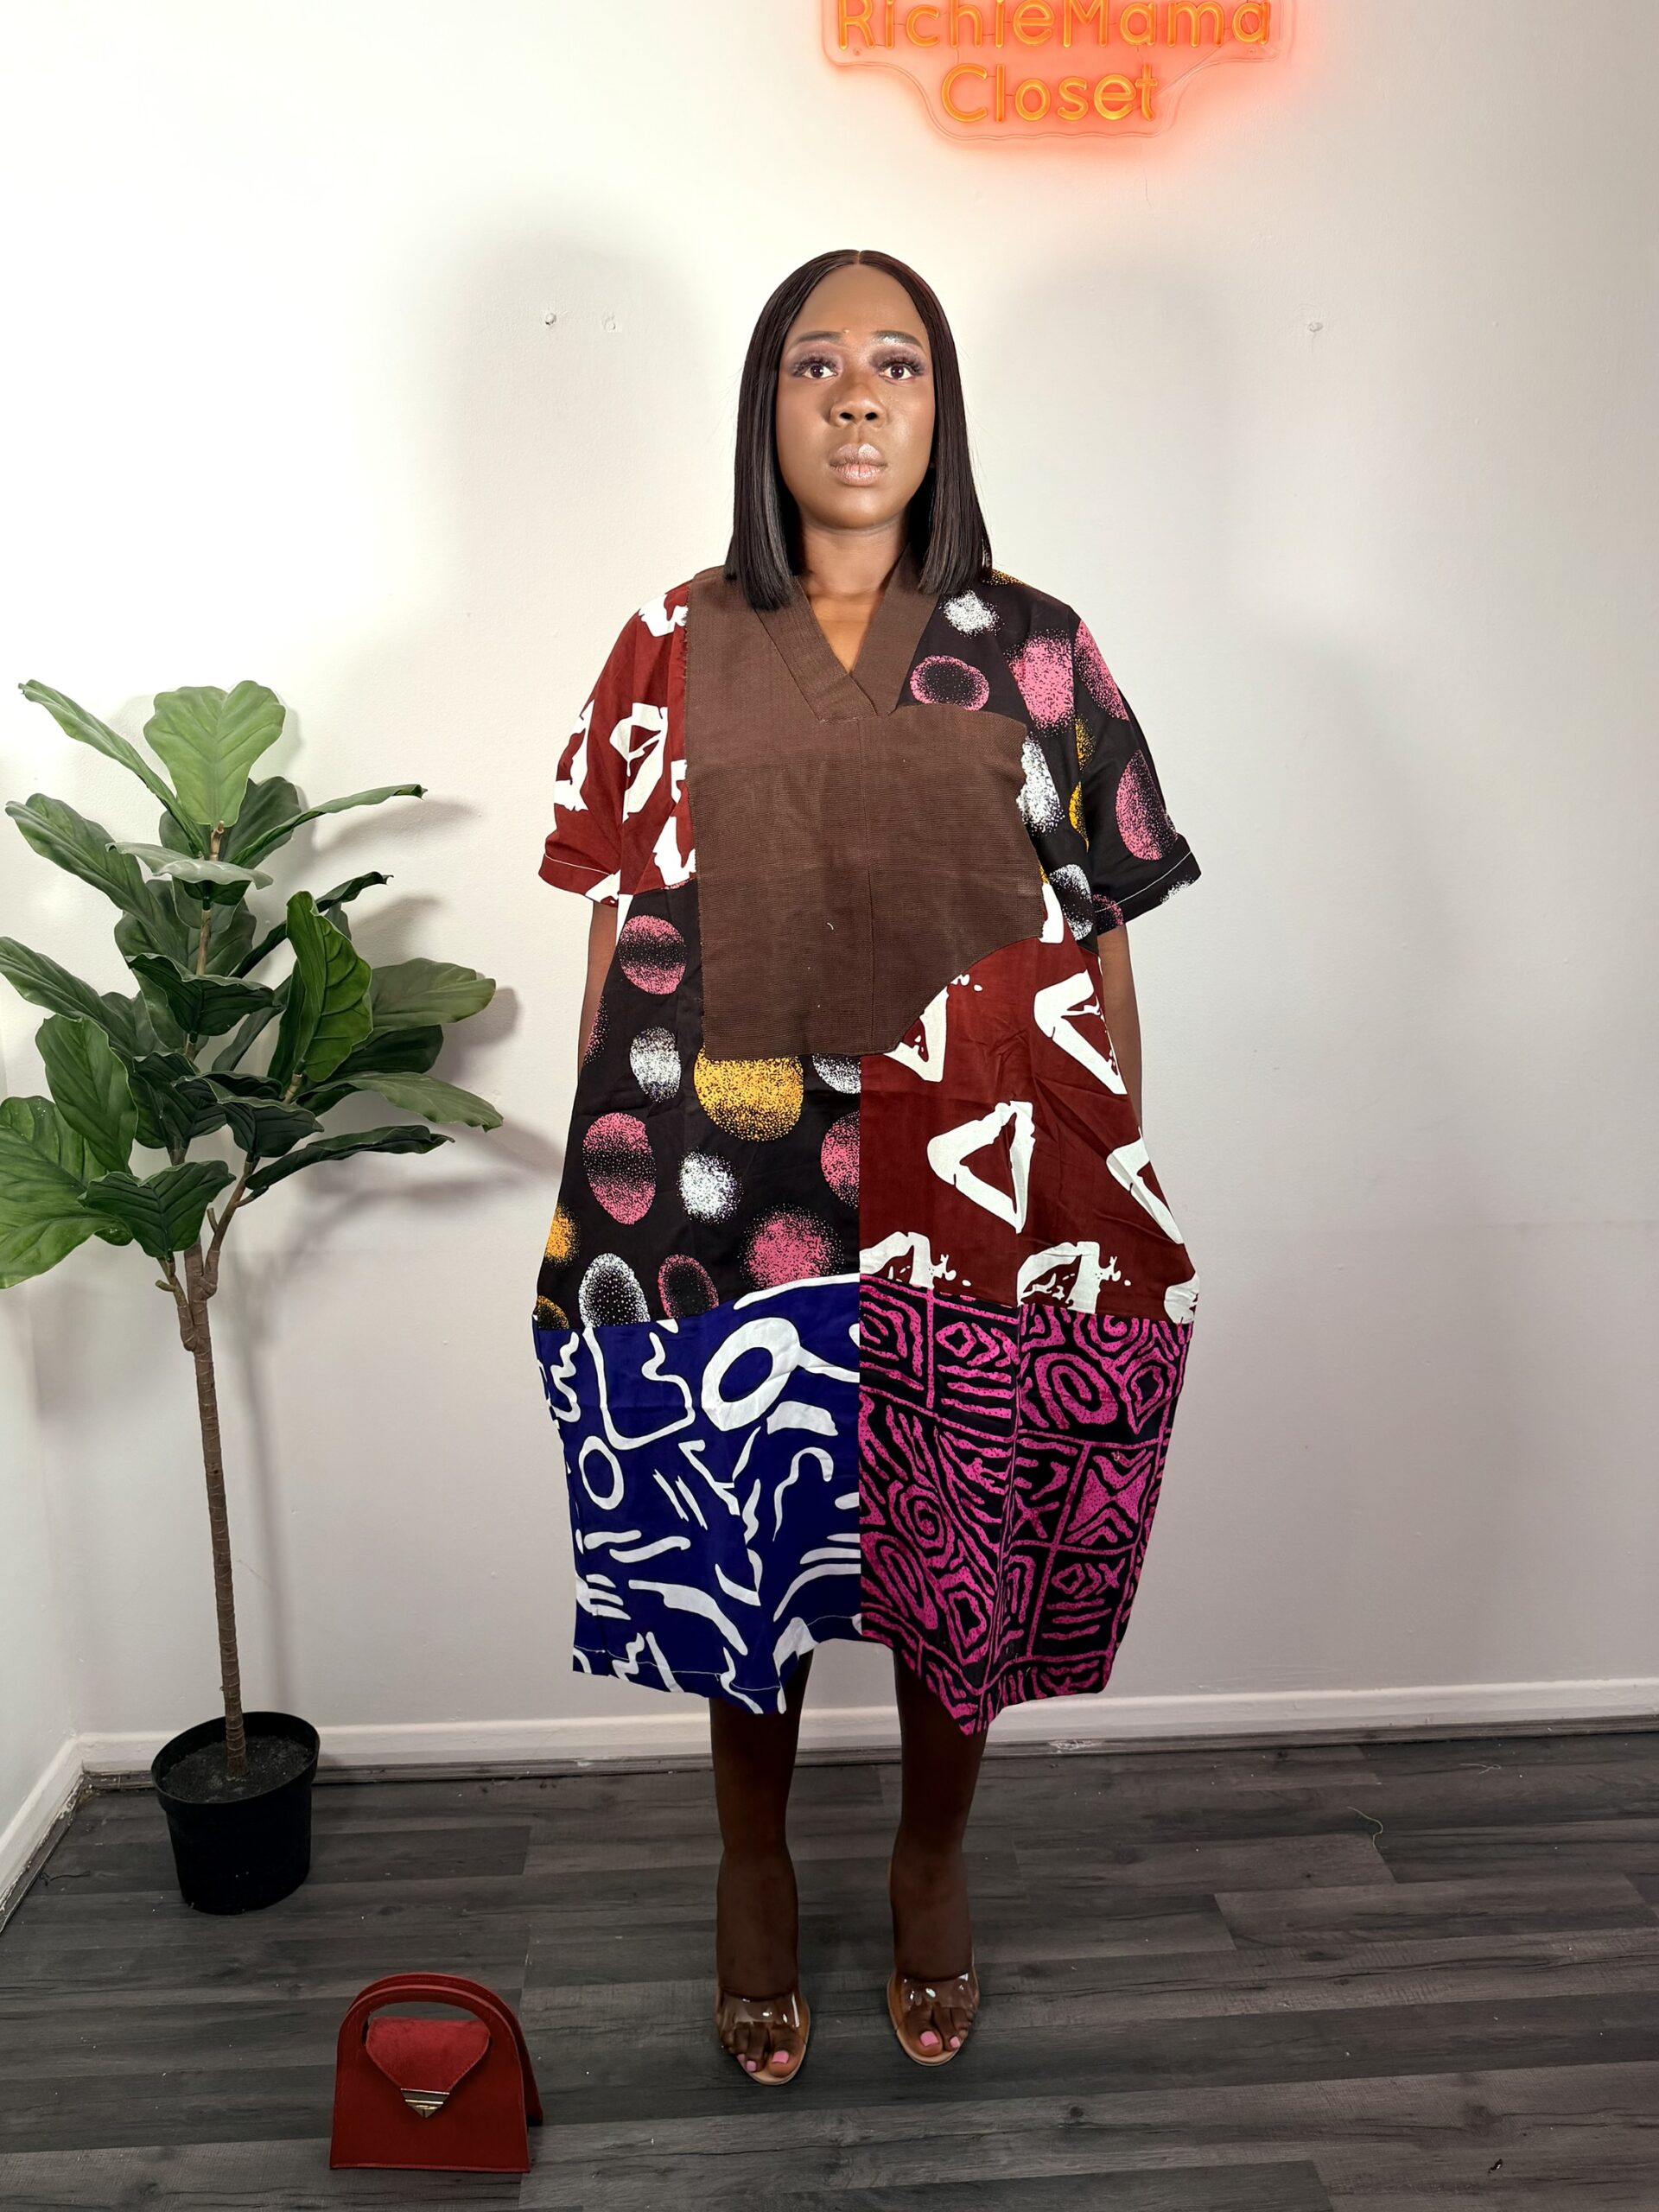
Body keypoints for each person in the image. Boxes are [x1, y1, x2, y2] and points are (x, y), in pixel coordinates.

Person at [532, 248, 1200, 2085]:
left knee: (955, 1532)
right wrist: (590, 1172)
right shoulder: (670, 637)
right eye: (816, 362)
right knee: (743, 1536)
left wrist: (1113, 1176)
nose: (854, 396)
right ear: (766, 403)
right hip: (715, 1192)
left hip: (985, 1182)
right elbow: (610, 920)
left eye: (897, 364)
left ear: (939, 408)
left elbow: (1105, 929)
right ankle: (750, 1866)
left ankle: (929, 1858)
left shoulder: (1037, 643)